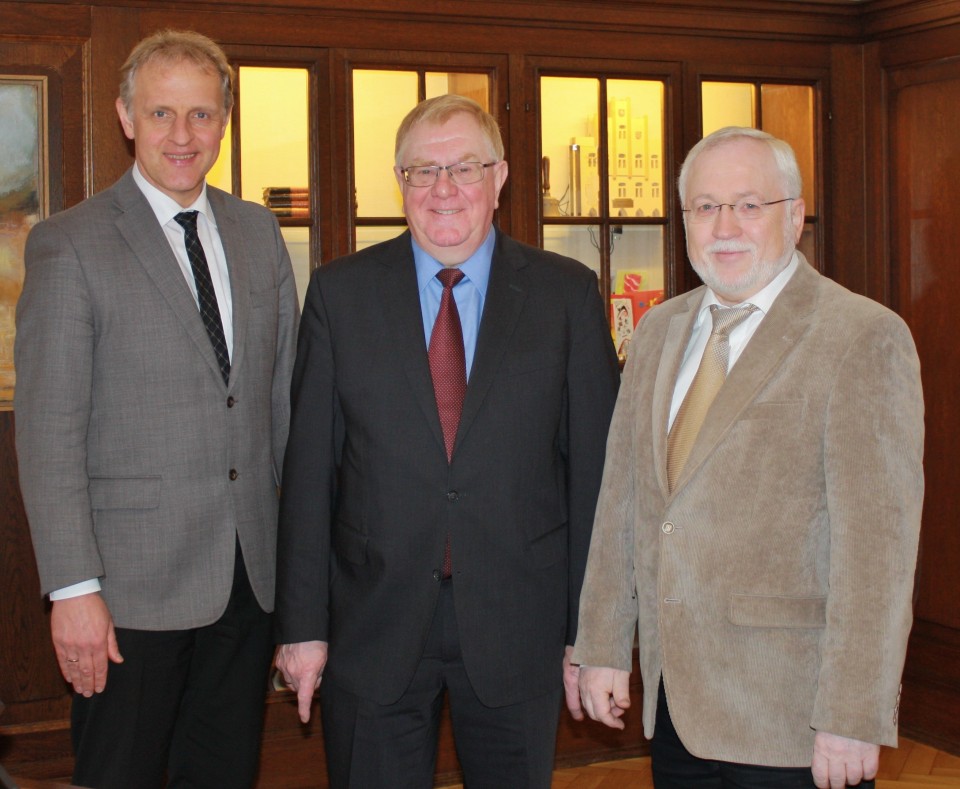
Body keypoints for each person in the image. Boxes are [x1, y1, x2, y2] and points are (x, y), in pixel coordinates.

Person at [274, 94, 619, 787]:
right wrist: (302, 625)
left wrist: (597, 631)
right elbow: (310, 472)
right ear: (398, 182)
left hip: (520, 623)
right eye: (421, 172)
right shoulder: (340, 296)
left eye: (464, 167)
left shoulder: (567, 296)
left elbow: (597, 482)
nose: (443, 190)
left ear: (501, 177)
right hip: (373, 622)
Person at [573, 126, 924, 789]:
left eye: (748, 204)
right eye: (706, 207)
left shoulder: (862, 337)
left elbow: (876, 555)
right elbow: (623, 502)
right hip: (677, 712)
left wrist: (854, 712)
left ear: (794, 217)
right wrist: (601, 646)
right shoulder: (657, 332)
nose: (724, 225)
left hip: (793, 723)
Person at [14, 29, 299, 789]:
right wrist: (73, 591)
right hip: (128, 593)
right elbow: (49, 436)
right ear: (125, 116)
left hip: (247, 581)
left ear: (225, 120)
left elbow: (282, 412)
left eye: (202, 115)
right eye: (163, 113)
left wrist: (300, 582)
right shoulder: (69, 245)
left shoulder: (259, 233)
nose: (183, 135)